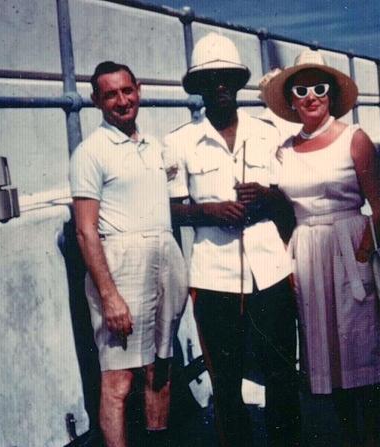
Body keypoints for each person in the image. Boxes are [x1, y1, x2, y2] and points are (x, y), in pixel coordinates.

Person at [161, 33, 301, 446]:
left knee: (281, 373)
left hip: (271, 272)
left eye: (226, 77)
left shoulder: (268, 133)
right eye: (210, 80)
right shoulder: (179, 142)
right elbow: (170, 209)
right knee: (226, 382)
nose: (220, 86)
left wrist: (267, 195)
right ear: (199, 89)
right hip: (214, 278)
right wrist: (208, 210)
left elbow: (290, 203)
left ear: (238, 83)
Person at [263, 49, 380, 447]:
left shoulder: (354, 139)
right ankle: (347, 436)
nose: (311, 96)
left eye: (319, 88)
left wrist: (361, 255)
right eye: (301, 89)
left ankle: (371, 437)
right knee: (325, 349)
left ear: (332, 95)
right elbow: (281, 209)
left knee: (362, 343)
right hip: (307, 252)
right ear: (291, 100)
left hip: (349, 244)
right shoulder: (284, 149)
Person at [70, 61, 187, 447]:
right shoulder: (90, 152)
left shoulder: (156, 146)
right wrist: (109, 295)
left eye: (127, 91)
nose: (122, 101)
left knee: (160, 368)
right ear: (96, 101)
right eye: (110, 95)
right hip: (121, 267)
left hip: (164, 259)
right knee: (119, 379)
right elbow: (86, 231)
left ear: (138, 89)